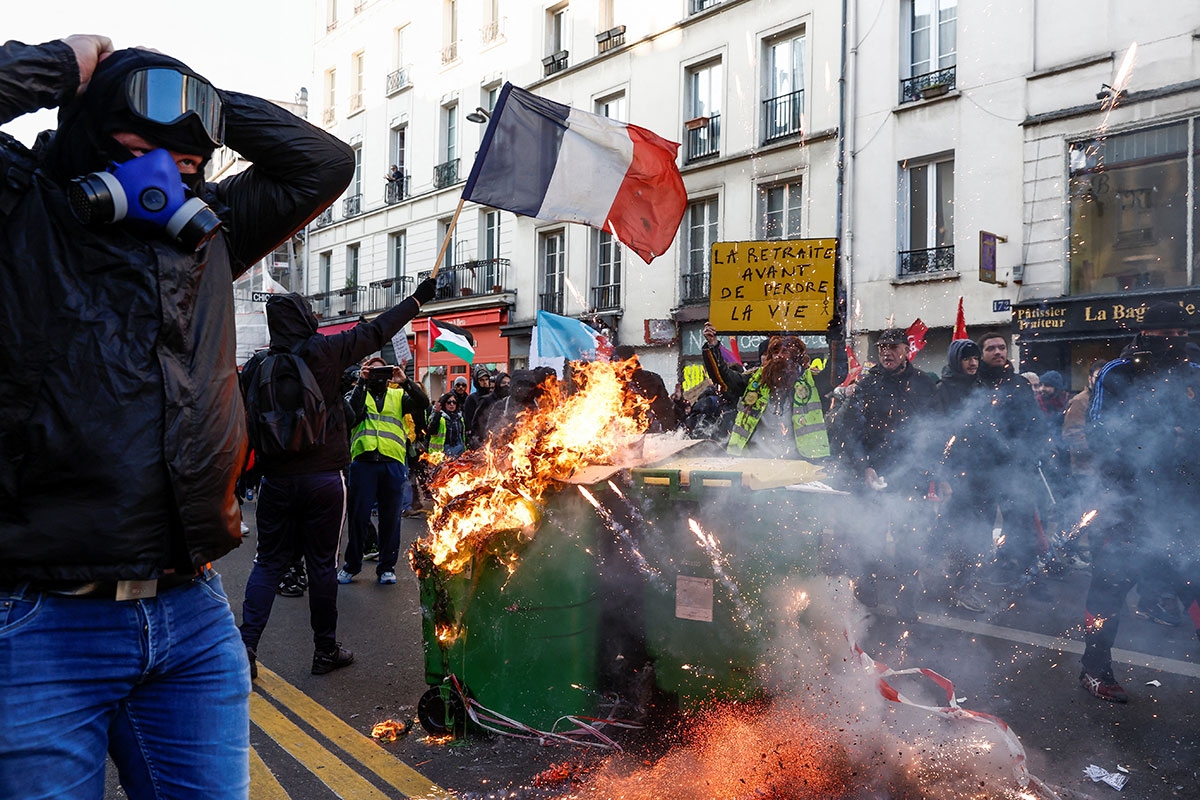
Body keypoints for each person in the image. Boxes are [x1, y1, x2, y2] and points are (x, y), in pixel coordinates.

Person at [0, 36, 355, 798]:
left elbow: (323, 162)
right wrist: (63, 66)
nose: (167, 174)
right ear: (87, 133)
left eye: (188, 162)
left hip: (190, 615)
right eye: (144, 149)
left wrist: (205, 101)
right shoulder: (18, 205)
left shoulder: (208, 228)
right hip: (39, 622)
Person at [238, 283, 434, 679]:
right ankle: (325, 650)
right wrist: (418, 299)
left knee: (268, 563)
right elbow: (378, 330)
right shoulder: (323, 352)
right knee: (322, 565)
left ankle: (246, 646)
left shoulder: (258, 367)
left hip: (275, 481)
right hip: (324, 479)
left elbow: (242, 424)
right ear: (305, 319)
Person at [1080, 302, 1200, 702]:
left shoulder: (1193, 372)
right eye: (1164, 336)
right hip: (1126, 503)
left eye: (1179, 336)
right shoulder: (1120, 372)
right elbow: (1099, 433)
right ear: (1146, 335)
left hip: (1181, 503)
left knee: (1193, 585)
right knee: (1108, 591)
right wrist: (1157, 436)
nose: (1173, 343)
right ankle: (1094, 670)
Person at [836, 329, 941, 617]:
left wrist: (932, 472)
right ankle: (866, 594)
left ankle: (906, 602)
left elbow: (935, 431)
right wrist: (864, 466)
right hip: (873, 475)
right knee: (869, 536)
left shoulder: (923, 384)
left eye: (893, 346)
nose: (886, 352)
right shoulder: (868, 384)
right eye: (882, 347)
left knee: (909, 540)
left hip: (910, 476)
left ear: (906, 350)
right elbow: (851, 431)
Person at [339, 360, 427, 585]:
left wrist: (405, 381)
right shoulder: (357, 393)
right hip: (363, 463)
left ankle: (386, 568)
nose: (378, 376)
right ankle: (352, 565)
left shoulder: (398, 396)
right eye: (373, 371)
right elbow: (351, 416)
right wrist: (361, 382)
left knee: (390, 520)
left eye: (382, 371)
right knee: (358, 518)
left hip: (392, 463)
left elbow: (423, 402)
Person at [700, 322, 829, 460]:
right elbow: (723, 378)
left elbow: (836, 374)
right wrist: (713, 345)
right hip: (755, 462)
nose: (778, 356)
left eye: (785, 351)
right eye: (775, 351)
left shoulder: (810, 381)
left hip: (798, 463)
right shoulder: (755, 379)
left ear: (796, 357)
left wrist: (836, 341)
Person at [613, 344, 678, 432]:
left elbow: (665, 408)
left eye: (617, 361)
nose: (615, 365)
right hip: (623, 431)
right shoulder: (613, 383)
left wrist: (669, 431)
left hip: (650, 430)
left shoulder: (651, 379)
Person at [428, 392, 468, 458]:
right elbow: (431, 431)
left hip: (459, 450)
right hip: (441, 452)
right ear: (444, 403)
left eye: (454, 402)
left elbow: (461, 435)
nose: (452, 404)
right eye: (449, 402)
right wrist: (437, 414)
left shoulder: (460, 417)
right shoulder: (438, 416)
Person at [462, 366, 493, 447]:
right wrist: (472, 437)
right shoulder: (472, 398)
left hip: (491, 435)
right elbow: (468, 419)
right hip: (477, 437)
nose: (485, 382)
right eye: (481, 380)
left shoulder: (493, 397)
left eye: (486, 379)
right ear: (477, 382)